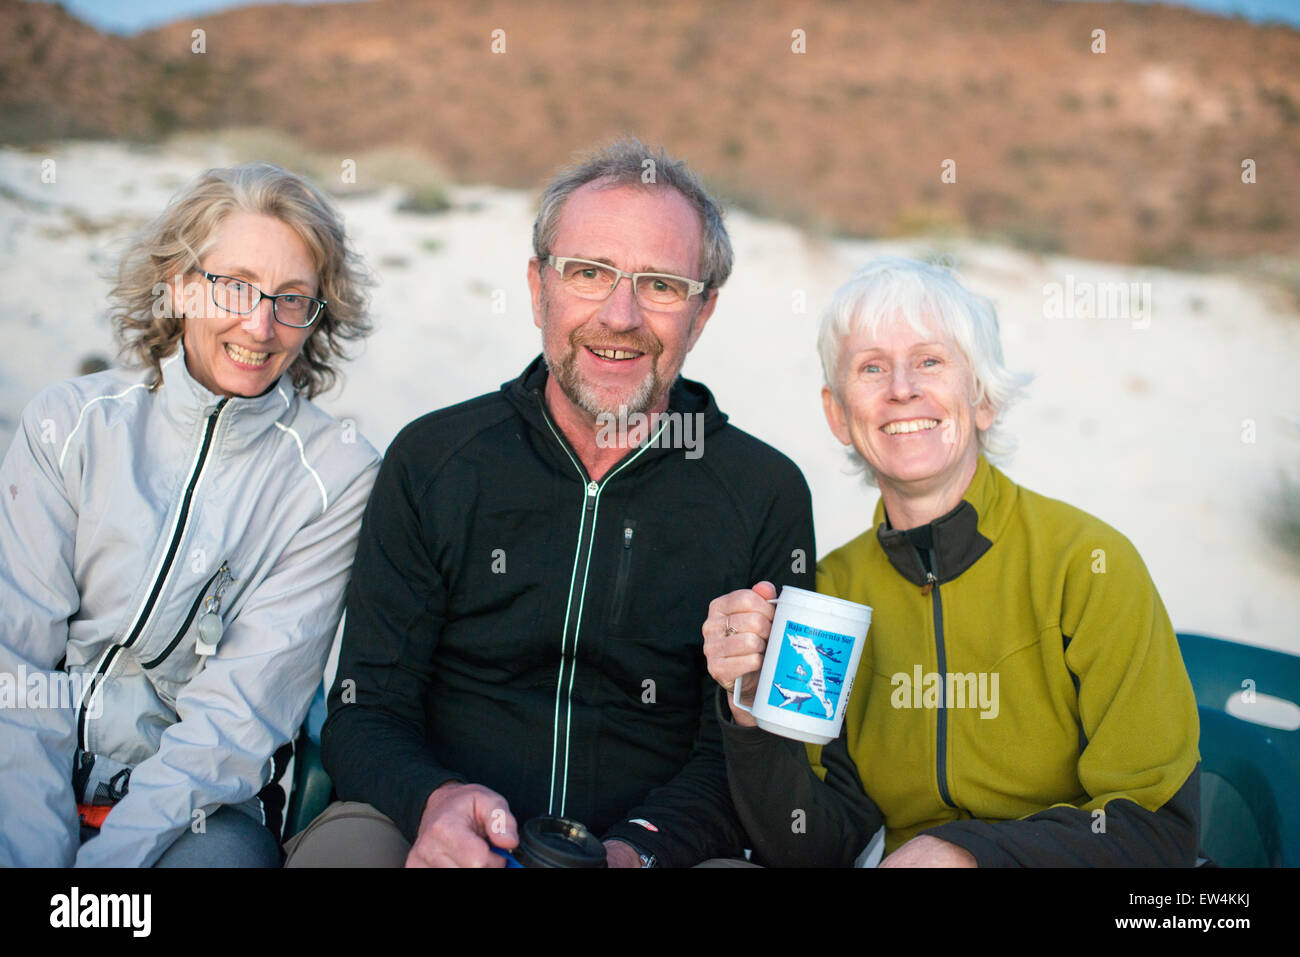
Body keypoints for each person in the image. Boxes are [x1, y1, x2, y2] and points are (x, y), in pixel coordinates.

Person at [284, 139, 815, 868]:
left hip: (657, 851)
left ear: (702, 313)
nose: (621, 315)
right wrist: (433, 802)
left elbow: (740, 751)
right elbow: (364, 707)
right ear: (538, 287)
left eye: (661, 284)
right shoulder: (435, 459)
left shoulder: (762, 492)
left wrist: (635, 852)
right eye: (589, 273)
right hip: (431, 827)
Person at [703, 256, 1201, 867]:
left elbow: (1155, 829)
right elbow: (813, 845)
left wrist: (967, 856)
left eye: (931, 361)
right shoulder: (830, 595)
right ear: (838, 415)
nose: (901, 388)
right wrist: (750, 717)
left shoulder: (1090, 564)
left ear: (983, 398)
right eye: (872, 367)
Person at [0, 162, 381, 867]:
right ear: (177, 285)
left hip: (201, 816)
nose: (259, 324)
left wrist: (100, 881)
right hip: (22, 779)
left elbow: (237, 718)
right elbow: (15, 663)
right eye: (233, 286)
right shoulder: (68, 425)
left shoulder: (337, 476)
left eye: (292, 298)